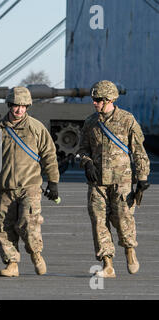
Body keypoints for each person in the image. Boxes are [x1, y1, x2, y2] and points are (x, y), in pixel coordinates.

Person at [0, 86, 59, 277]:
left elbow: (49, 155)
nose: (19, 110)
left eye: (23, 106)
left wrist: (53, 181)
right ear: (9, 105)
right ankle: (12, 263)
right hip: (5, 187)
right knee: (3, 226)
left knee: (28, 223)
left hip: (29, 186)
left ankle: (36, 254)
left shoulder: (36, 128)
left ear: (28, 107)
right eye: (16, 106)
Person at [78, 80, 150, 278]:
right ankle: (107, 264)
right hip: (97, 183)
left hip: (122, 182)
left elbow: (139, 151)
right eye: (93, 99)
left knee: (123, 220)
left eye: (98, 100)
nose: (95, 103)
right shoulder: (91, 122)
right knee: (99, 222)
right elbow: (82, 148)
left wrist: (142, 178)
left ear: (110, 99)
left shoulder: (127, 120)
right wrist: (87, 162)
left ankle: (129, 250)